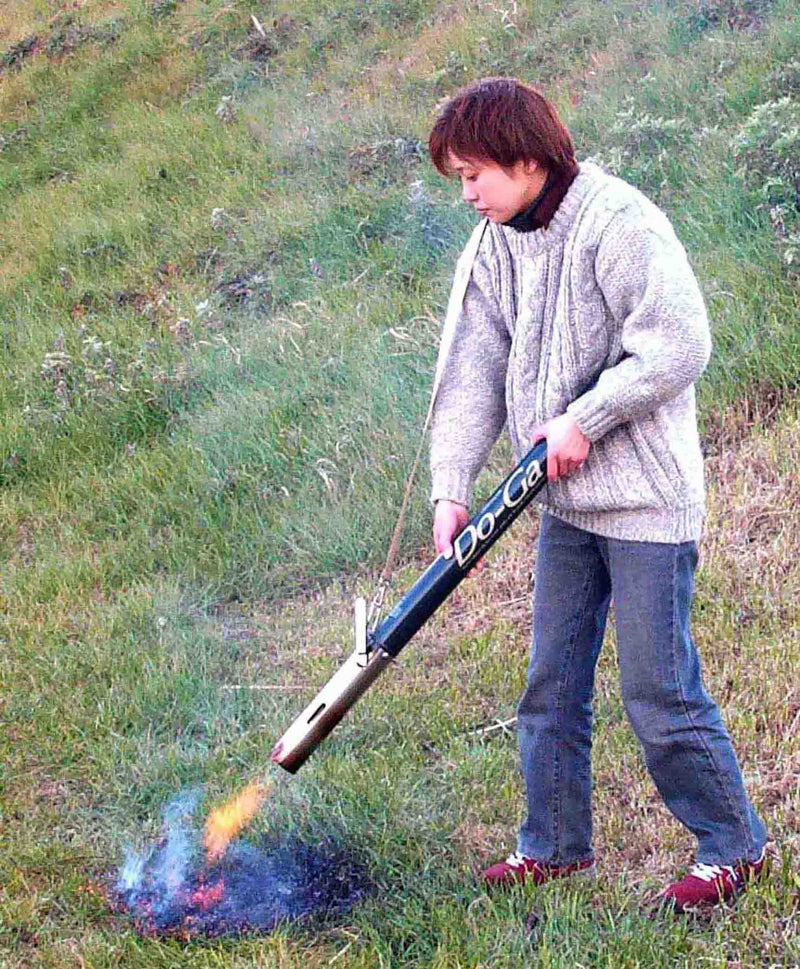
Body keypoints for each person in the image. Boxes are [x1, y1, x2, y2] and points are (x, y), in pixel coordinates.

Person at [427, 77, 768, 912]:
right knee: (550, 683)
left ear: (529, 158)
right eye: (458, 178)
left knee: (658, 689)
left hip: (647, 503)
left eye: (475, 173)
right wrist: (451, 489)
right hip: (565, 507)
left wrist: (586, 415)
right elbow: (470, 368)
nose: (466, 193)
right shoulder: (495, 241)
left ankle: (734, 847)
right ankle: (554, 847)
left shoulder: (619, 223)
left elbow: (682, 342)